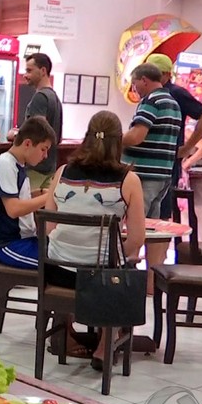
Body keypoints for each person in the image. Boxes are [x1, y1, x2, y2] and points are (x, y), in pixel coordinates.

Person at [45, 111, 146, 370]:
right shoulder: (128, 180)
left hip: (57, 271)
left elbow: (48, 226)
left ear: (86, 138)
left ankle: (63, 331)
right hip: (100, 279)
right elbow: (136, 239)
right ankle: (105, 342)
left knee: (77, 253)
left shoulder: (62, 172)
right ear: (119, 142)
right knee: (123, 265)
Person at [122, 62, 182, 295]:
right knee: (151, 229)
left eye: (135, 82)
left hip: (144, 175)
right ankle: (149, 284)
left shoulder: (151, 102)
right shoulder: (173, 103)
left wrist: (112, 139)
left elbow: (137, 136)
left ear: (144, 80)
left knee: (134, 228)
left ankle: (128, 282)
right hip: (163, 174)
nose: (134, 87)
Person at [143, 53, 202, 221]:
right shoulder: (149, 95)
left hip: (167, 162)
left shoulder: (177, 93)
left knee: (161, 213)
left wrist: (188, 147)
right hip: (150, 161)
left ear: (167, 74)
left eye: (156, 73)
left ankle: (158, 247)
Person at [0, 116, 57, 269]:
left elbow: (19, 199)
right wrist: (49, 196)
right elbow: (14, 209)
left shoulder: (17, 165)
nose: (45, 156)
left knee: (67, 253)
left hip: (27, 240)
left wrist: (39, 194)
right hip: (11, 245)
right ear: (27, 143)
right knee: (60, 266)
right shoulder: (5, 164)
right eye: (43, 149)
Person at [22, 53, 63, 195]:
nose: (25, 75)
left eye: (29, 70)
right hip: (50, 166)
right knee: (43, 210)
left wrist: (16, 134)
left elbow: (37, 131)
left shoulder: (40, 97)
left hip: (35, 168)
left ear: (43, 71)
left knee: (27, 208)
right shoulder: (55, 98)